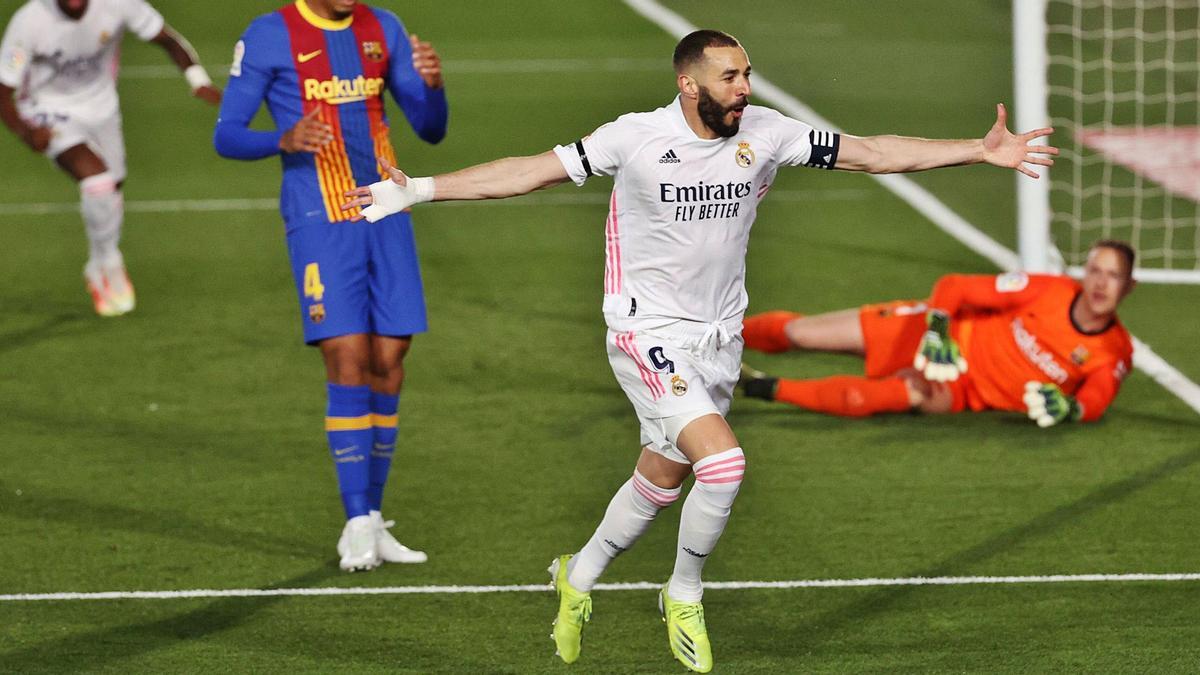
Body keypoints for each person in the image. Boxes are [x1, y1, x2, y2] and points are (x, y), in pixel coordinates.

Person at [340, 29, 1057, 672]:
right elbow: (531, 170)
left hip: (719, 341)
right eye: (730, 78)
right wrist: (423, 191)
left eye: (746, 74)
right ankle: (682, 592)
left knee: (662, 477)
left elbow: (870, 154)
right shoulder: (635, 138)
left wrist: (976, 149)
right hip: (645, 333)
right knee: (725, 461)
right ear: (690, 84)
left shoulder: (767, 132)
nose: (744, 88)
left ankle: (577, 576)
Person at [212, 0, 447, 572]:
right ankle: (356, 520)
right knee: (348, 356)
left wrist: (434, 88)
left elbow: (431, 130)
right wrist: (283, 139)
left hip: (386, 208)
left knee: (390, 359)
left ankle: (373, 515)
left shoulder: (382, 26)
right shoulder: (270, 36)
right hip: (319, 217)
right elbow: (227, 135)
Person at [739, 240, 1135, 427]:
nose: (1101, 284)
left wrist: (1071, 410)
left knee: (892, 395)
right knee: (799, 333)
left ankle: (757, 386)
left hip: (961, 388)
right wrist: (938, 329)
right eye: (1096, 271)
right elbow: (956, 286)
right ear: (1084, 274)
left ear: (1128, 287)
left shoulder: (1114, 351)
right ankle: (716, 337)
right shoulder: (1048, 289)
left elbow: (1095, 399)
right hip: (928, 331)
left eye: (1113, 276)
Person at [0, 0, 221, 316]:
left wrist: (198, 81)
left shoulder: (119, 4)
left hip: (103, 109)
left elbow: (168, 40)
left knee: (112, 187)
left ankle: (99, 259)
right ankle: (107, 263)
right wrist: (26, 132)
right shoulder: (30, 21)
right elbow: (2, 90)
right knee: (98, 183)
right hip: (47, 111)